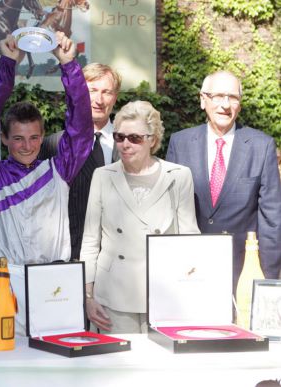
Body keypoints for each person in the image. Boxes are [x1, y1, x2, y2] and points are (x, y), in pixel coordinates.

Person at [0, 32, 93, 336]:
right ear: (5, 138)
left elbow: (80, 129)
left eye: (34, 137)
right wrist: (6, 65)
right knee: (5, 367)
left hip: (54, 279)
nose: (27, 146)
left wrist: (69, 66)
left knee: (59, 368)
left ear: (42, 136)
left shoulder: (60, 169)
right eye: (19, 138)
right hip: (5, 282)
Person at [81, 100, 200, 334]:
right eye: (119, 137)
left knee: (161, 368)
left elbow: (190, 240)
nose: (125, 144)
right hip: (112, 297)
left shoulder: (178, 176)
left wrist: (190, 292)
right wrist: (88, 296)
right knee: (115, 368)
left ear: (152, 140)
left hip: (163, 295)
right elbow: (90, 241)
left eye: (134, 138)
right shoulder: (103, 176)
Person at [166, 71, 281, 287]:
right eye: (218, 96)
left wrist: (269, 281)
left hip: (242, 271)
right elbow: (169, 212)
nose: (225, 105)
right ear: (203, 100)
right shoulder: (180, 144)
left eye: (233, 97)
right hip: (190, 269)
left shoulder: (261, 146)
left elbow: (272, 218)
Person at [39, 63, 121, 260]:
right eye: (92, 90)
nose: (99, 100)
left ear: (115, 97)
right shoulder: (54, 145)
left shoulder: (130, 143)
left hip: (119, 258)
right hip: (69, 257)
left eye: (106, 92)